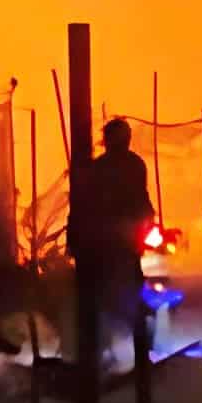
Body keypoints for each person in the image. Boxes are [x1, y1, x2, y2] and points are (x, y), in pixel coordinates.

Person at [76, 118, 156, 356]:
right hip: (109, 241)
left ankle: (136, 348)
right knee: (111, 294)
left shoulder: (125, 165)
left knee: (122, 293)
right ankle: (115, 349)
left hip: (117, 241)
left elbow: (140, 198)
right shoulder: (111, 167)